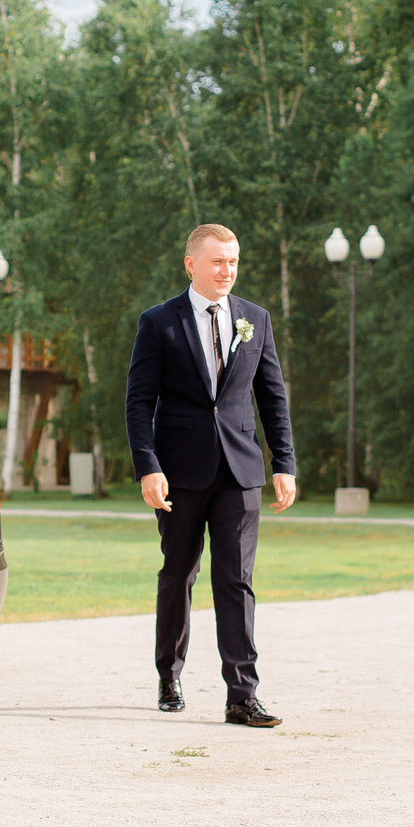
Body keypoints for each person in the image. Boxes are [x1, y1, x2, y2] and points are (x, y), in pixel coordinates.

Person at [124, 223, 297, 727]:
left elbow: (273, 397)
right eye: (218, 261)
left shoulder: (255, 319)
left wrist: (283, 462)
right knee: (178, 575)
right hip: (178, 472)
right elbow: (139, 401)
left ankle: (242, 695)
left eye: (234, 261)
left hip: (241, 470)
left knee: (236, 581)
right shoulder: (158, 322)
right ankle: (169, 675)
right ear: (191, 265)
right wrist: (147, 466)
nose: (228, 271)